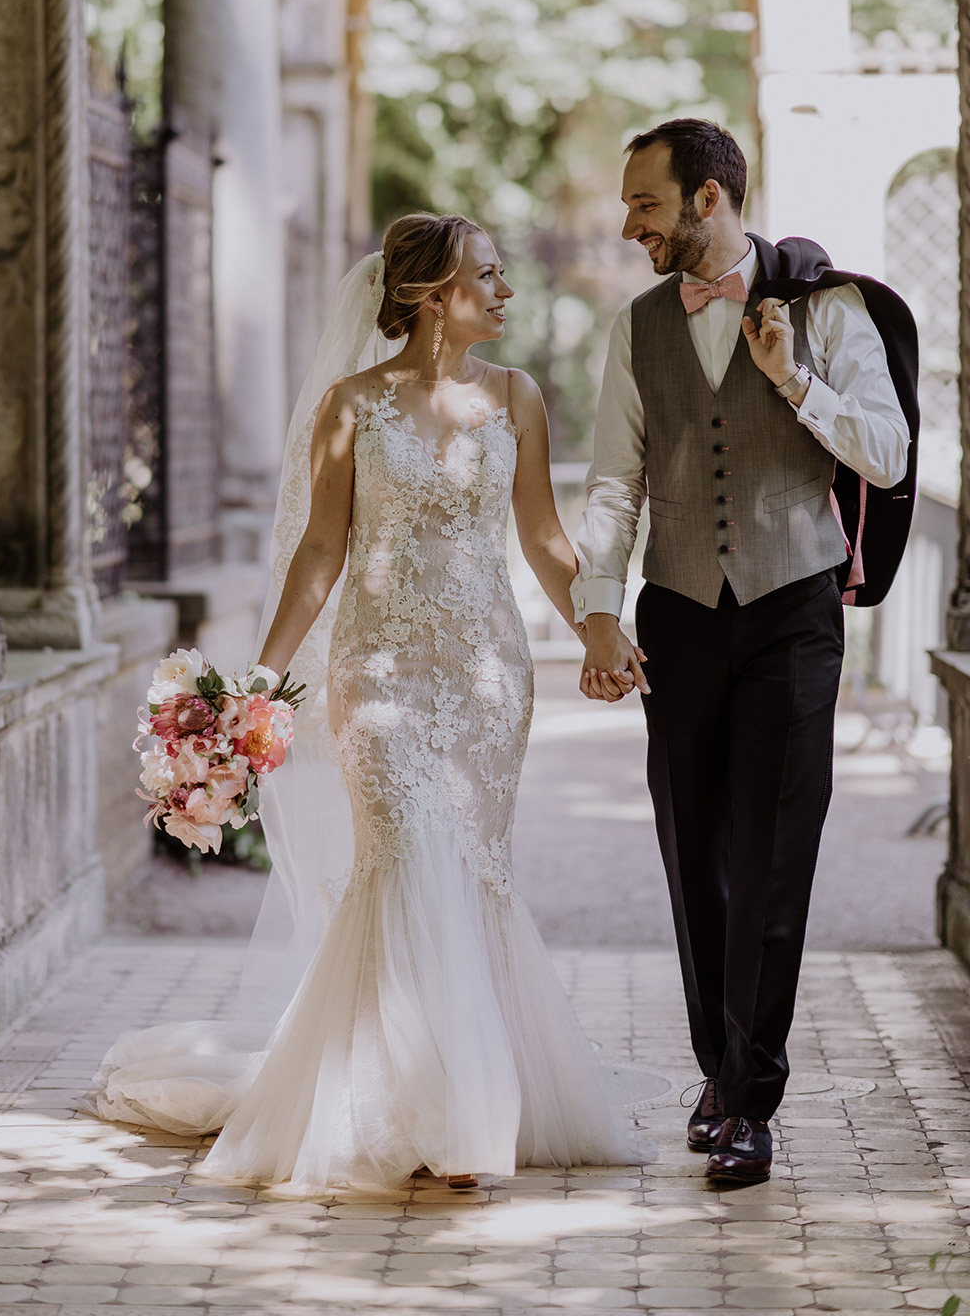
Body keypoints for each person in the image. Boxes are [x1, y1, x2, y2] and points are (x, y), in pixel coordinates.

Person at [89, 212, 650, 1193]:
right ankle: (431, 1115)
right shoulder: (352, 406)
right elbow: (320, 552)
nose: (508, 291)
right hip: (378, 673)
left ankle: (463, 1095)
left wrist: (597, 625)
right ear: (433, 298)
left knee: (471, 873)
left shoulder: (516, 400)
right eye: (488, 275)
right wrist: (258, 680)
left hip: (487, 678)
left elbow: (545, 539)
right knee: (405, 863)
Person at [574, 117, 910, 1186]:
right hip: (677, 608)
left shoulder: (827, 308)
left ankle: (752, 1101)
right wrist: (595, 607)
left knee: (774, 853)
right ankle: (717, 1067)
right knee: (695, 854)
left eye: (646, 204)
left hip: (791, 609)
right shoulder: (633, 328)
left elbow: (893, 458)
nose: (630, 224)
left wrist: (796, 384)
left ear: (708, 200)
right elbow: (613, 480)